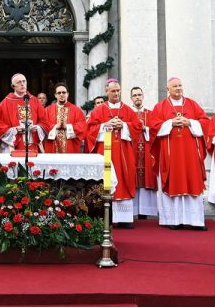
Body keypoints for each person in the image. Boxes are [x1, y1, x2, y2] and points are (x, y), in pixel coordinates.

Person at [149, 77, 210, 230]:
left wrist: (190, 122)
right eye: (174, 86)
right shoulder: (160, 107)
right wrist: (171, 123)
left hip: (191, 154)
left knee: (192, 181)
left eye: (180, 86)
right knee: (174, 180)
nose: (178, 88)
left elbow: (205, 121)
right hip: (171, 156)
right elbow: (153, 125)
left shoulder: (191, 104)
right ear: (167, 90)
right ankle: (173, 220)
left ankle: (195, 220)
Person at [86, 79, 142, 228]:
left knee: (125, 176)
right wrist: (105, 125)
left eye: (118, 91)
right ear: (107, 92)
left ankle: (124, 219)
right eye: (113, 91)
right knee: (106, 180)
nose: (116, 93)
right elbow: (90, 130)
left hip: (124, 151)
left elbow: (137, 127)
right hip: (106, 151)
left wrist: (124, 125)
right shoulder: (99, 110)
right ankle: (106, 217)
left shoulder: (128, 110)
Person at [0, 73, 47, 153]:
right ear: (13, 86)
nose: (22, 84)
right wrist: (13, 130)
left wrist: (37, 128)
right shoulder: (6, 102)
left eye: (24, 81)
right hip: (13, 145)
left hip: (33, 142)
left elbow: (44, 121)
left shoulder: (34, 100)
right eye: (19, 82)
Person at [129, 86, 157, 218]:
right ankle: (133, 210)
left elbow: (156, 131)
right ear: (131, 98)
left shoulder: (150, 113)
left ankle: (145, 211)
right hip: (132, 150)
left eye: (139, 94)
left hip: (147, 151)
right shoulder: (128, 113)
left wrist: (146, 129)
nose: (137, 97)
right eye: (134, 95)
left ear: (143, 96)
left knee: (147, 176)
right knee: (132, 176)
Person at [43, 83, 86, 154]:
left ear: (67, 94)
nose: (61, 94)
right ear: (55, 95)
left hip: (70, 147)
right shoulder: (47, 110)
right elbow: (43, 126)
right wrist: (56, 126)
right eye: (59, 93)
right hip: (52, 147)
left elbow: (82, 127)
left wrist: (67, 127)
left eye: (64, 92)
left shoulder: (76, 110)